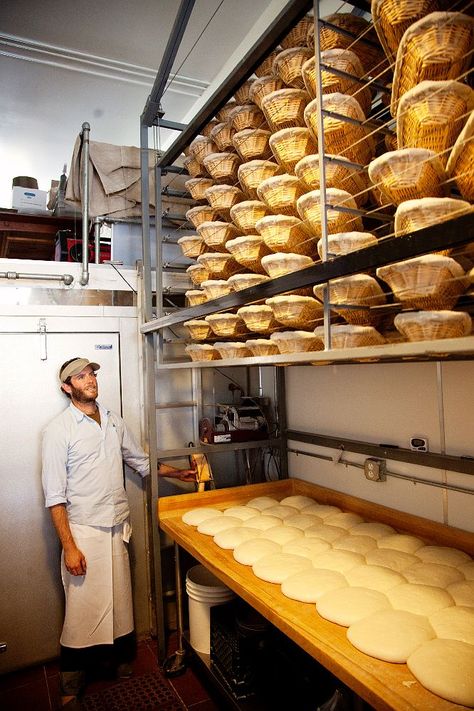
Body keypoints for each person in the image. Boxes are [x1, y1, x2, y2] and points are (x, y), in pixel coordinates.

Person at [42, 357, 196, 708]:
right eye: (80, 377)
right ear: (67, 387)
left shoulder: (111, 421)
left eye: (91, 374)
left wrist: (178, 474)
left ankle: (117, 664)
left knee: (119, 602)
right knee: (81, 613)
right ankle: (70, 685)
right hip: (83, 531)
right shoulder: (59, 430)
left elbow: (140, 462)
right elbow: (54, 496)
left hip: (115, 528)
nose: (89, 380)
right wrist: (69, 547)